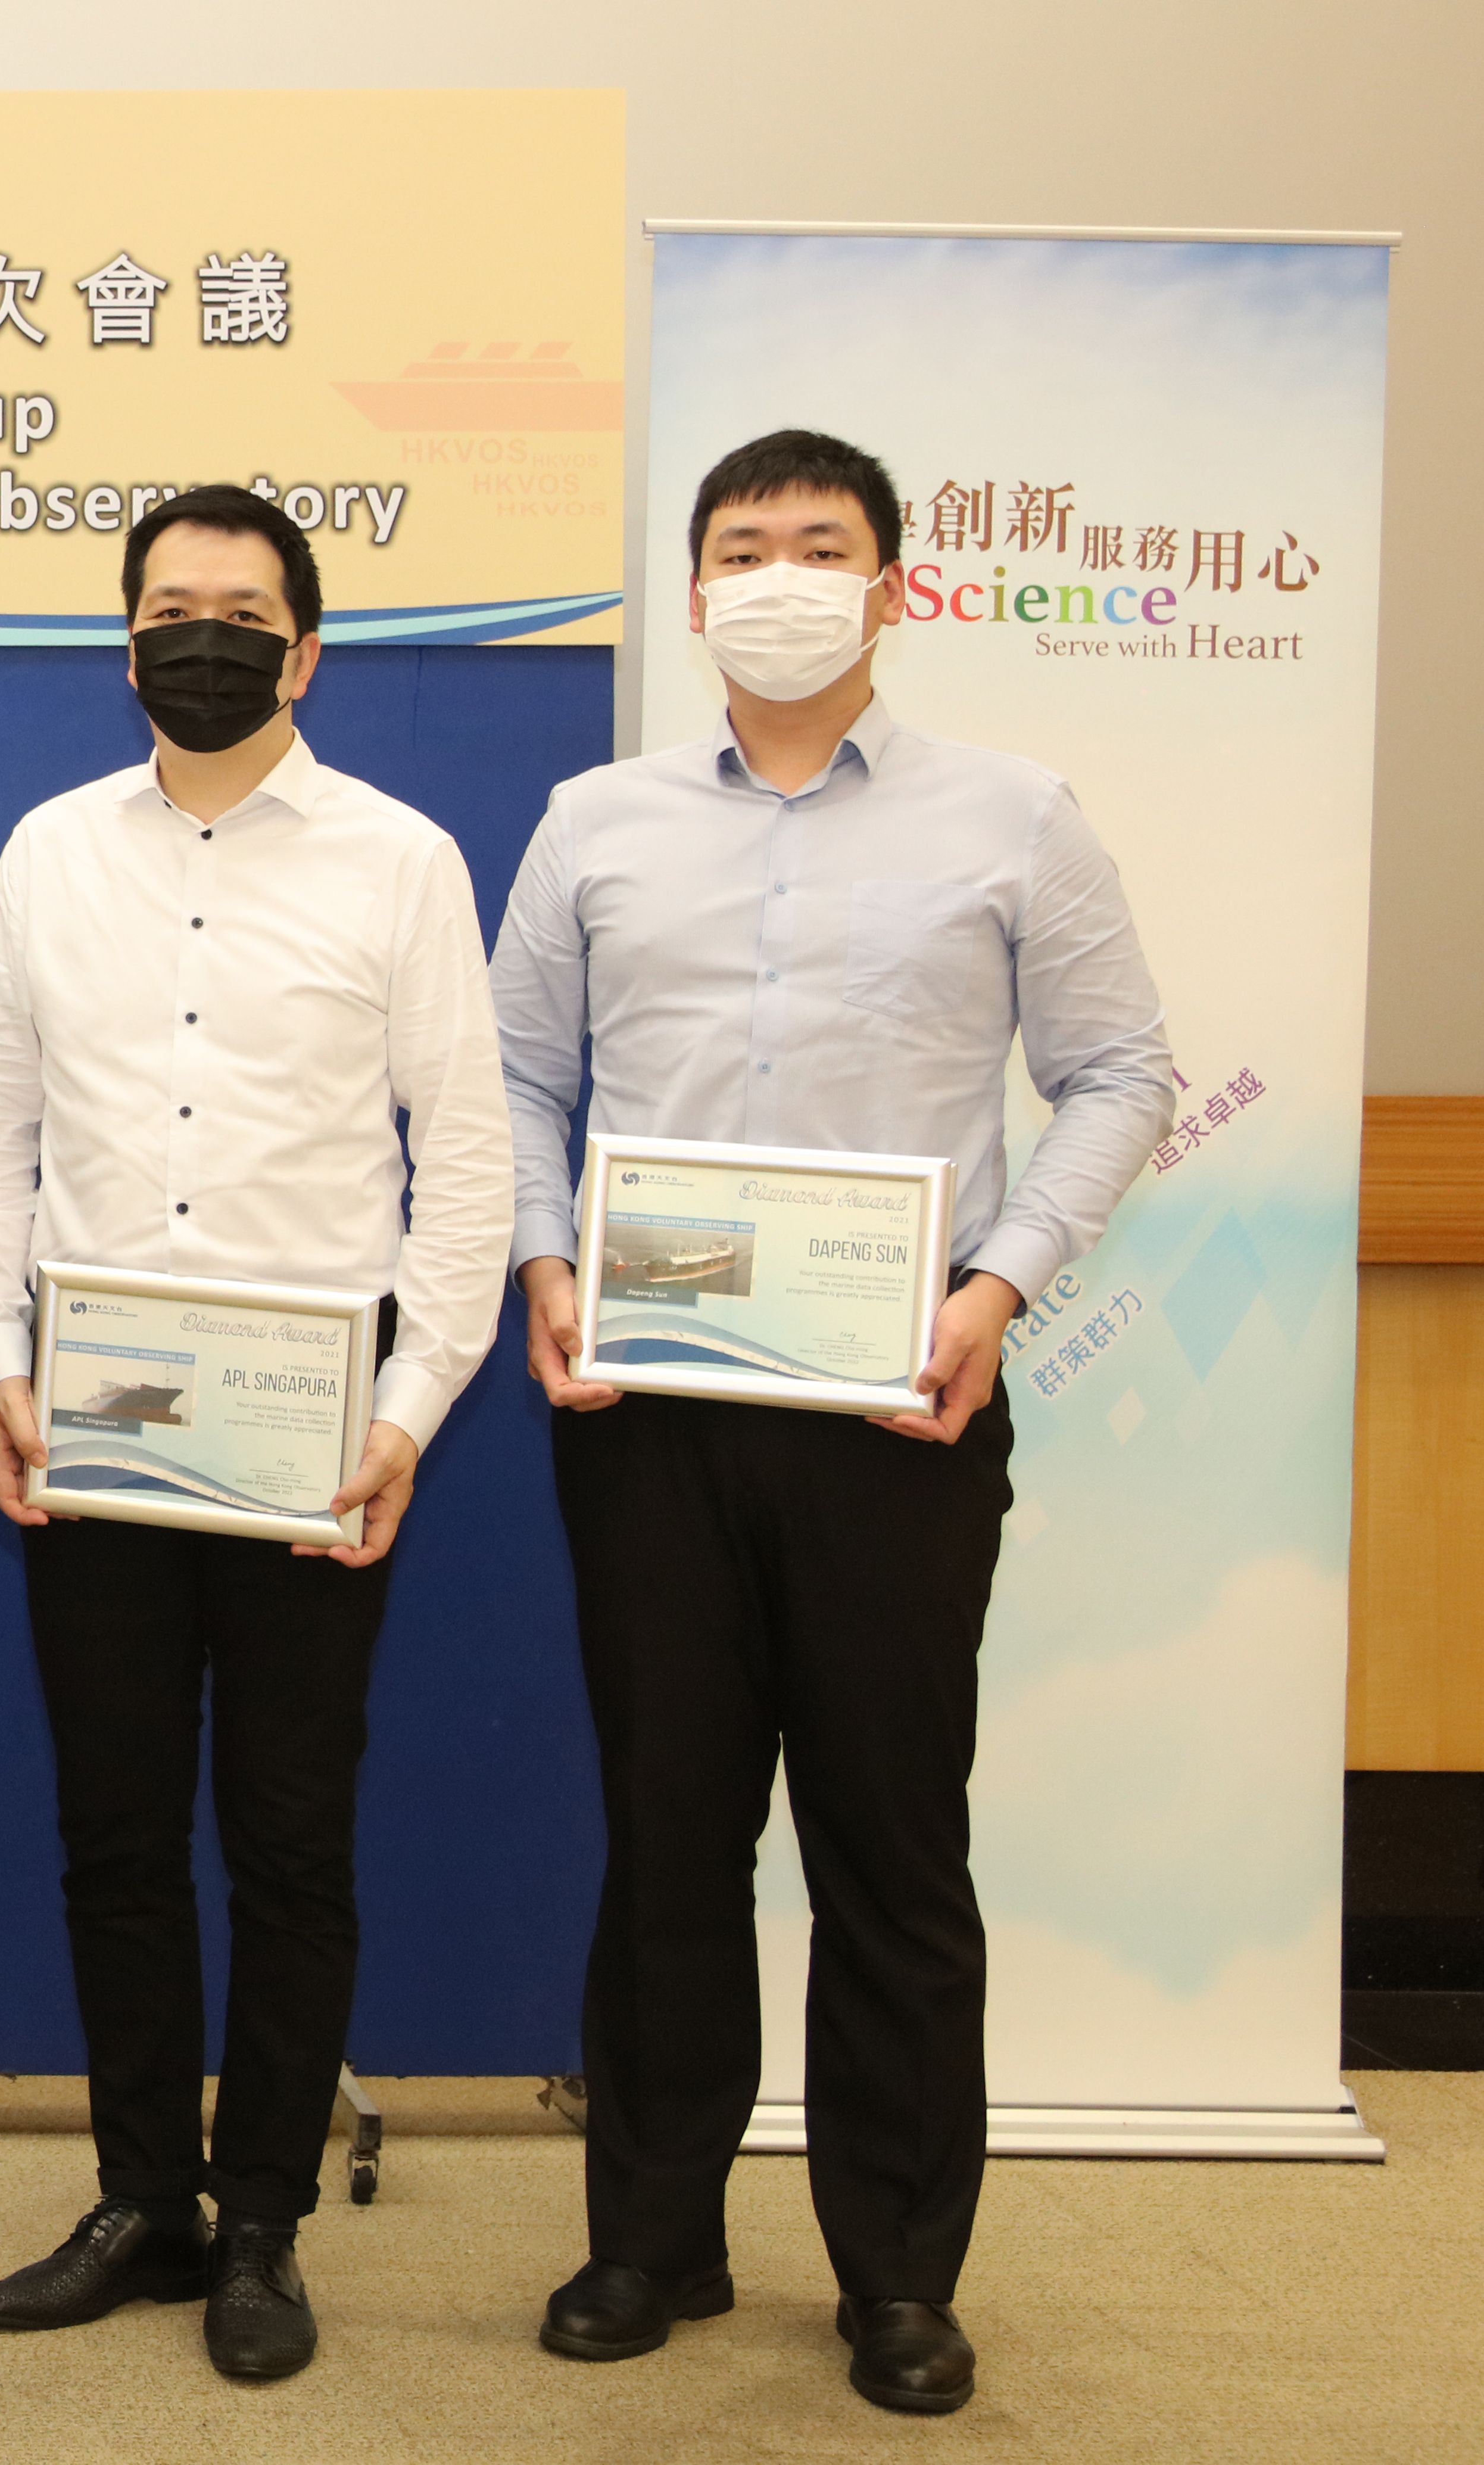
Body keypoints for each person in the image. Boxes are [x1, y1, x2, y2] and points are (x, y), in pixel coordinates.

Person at [492, 430, 1176, 2417]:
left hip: (900, 1409)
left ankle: (896, 2270)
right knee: (671, 1830)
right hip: (650, 1406)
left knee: (890, 1841)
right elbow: (523, 1074)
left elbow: (1123, 1070)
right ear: (695, 592)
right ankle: (653, 2234)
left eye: (823, 546)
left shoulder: (1016, 815)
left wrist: (998, 1286)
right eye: (742, 548)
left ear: (895, 585)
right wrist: (548, 1258)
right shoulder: (595, 819)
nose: (780, 575)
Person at [0, 485, 514, 2381]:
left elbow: (470, 1167)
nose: (205, 635)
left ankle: (261, 2214)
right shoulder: (46, 851)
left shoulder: (404, 858)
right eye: (170, 607)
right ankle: (141, 2197)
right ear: (126, 645)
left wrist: (411, 1407)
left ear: (306, 646)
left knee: (287, 1840)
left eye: (241, 610)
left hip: (307, 1453)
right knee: (113, 1836)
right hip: (92, 1435)